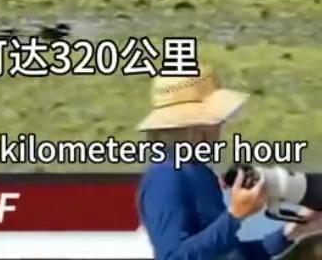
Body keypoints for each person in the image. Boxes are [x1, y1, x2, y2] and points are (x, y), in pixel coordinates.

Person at [138, 64, 322, 260]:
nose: (221, 125)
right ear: (197, 127)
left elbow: (230, 254)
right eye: (217, 119)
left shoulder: (199, 172)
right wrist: (235, 215)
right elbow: (173, 256)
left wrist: (294, 231)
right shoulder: (165, 177)